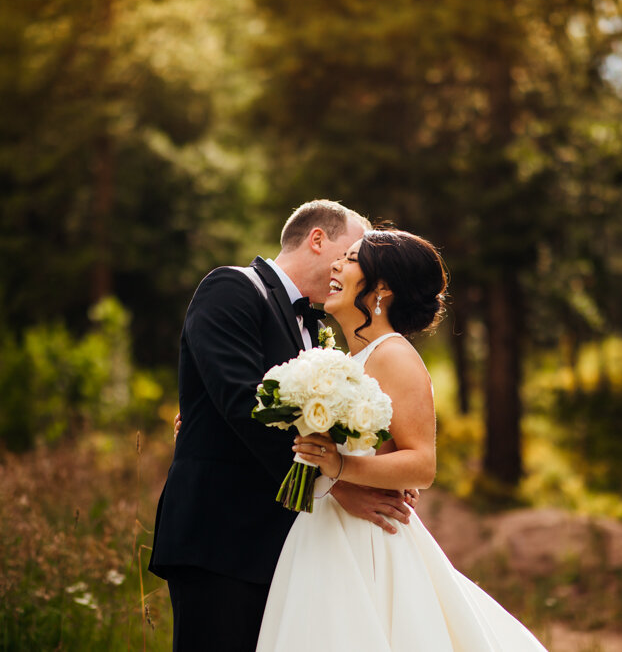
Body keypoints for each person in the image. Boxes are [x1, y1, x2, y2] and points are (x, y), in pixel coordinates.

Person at [256, 229, 548, 651]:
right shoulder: (348, 358)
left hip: (364, 538)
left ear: (383, 289)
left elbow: (421, 465)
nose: (337, 264)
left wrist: (339, 467)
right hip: (322, 529)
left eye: (352, 259)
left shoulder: (393, 355)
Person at [148, 200, 420, 652]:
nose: (355, 269)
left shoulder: (316, 329)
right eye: (352, 254)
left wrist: (373, 464)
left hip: (280, 546)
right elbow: (241, 402)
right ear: (318, 240)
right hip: (220, 538)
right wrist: (332, 483)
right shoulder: (231, 287)